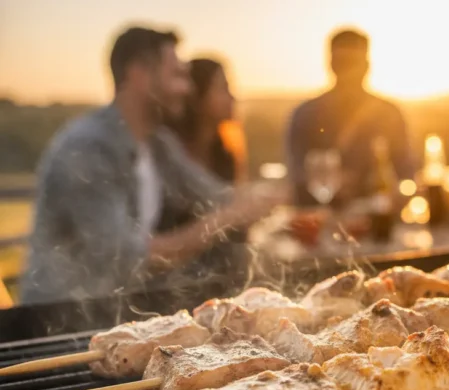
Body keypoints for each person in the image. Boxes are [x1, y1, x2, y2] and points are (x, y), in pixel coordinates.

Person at [21, 27, 280, 306]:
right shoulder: (86, 149)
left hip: (118, 312)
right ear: (140, 75)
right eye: (177, 76)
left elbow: (216, 195)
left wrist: (280, 195)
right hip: (59, 318)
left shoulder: (157, 144)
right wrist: (228, 218)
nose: (188, 88)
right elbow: (129, 256)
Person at [286, 29, 415, 207]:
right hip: (321, 220)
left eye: (354, 62)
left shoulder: (389, 114)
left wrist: (396, 192)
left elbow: (408, 173)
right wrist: (326, 184)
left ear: (367, 65)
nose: (349, 71)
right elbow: (296, 173)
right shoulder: (306, 115)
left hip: (378, 222)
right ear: (330, 64)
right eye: (343, 63)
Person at [167, 58, 247, 185]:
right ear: (197, 96)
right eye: (223, 88)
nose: (232, 98)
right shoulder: (170, 153)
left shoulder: (223, 156)